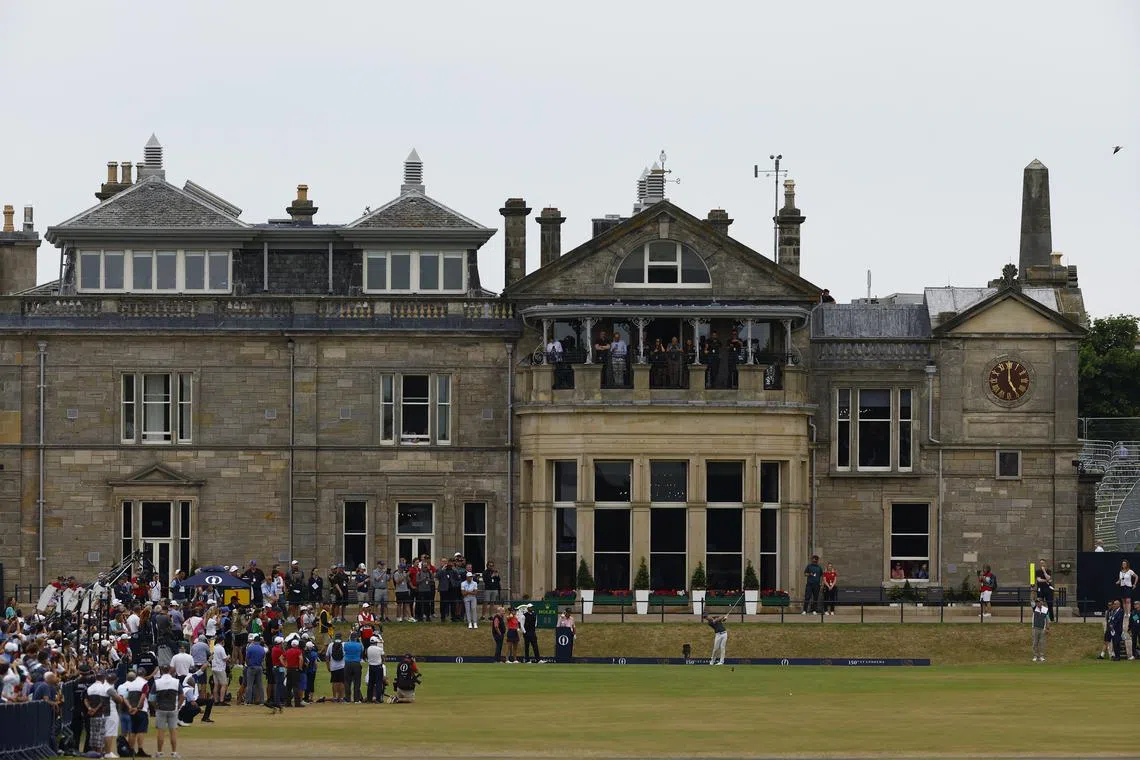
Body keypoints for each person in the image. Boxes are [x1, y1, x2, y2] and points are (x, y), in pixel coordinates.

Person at [153, 665, 183, 758]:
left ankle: (159, 752)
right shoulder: (176, 681)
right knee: (173, 731)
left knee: (161, 731)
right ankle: (174, 752)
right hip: (173, 708)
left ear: (161, 671)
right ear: (170, 670)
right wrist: (178, 706)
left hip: (161, 708)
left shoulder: (157, 682)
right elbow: (182, 696)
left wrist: (155, 706)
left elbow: (151, 698)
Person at [343, 631, 364, 703]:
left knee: (347, 681)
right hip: (356, 663)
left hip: (347, 663)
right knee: (357, 682)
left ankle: (347, 698)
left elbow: (344, 650)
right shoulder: (359, 645)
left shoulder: (346, 644)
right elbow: (362, 650)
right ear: (356, 638)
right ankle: (356, 699)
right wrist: (360, 640)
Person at [365, 634, 386, 703]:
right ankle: (378, 699)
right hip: (378, 667)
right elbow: (383, 658)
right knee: (378, 683)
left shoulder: (368, 649)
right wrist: (382, 662)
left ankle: (369, 699)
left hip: (371, 666)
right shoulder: (379, 649)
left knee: (371, 683)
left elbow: (367, 657)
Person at [284, 639, 304, 708]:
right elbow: (301, 659)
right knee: (296, 686)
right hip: (295, 669)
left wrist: (285, 665)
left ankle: (288, 703)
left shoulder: (288, 651)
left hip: (289, 669)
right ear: (297, 645)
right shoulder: (298, 651)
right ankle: (297, 703)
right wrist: (300, 667)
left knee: (288, 687)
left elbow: (282, 657)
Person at [326, 633, 346, 703]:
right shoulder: (344, 645)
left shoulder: (331, 645)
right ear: (341, 638)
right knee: (342, 682)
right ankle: (341, 697)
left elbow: (327, 657)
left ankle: (334, 697)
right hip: (342, 666)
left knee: (334, 682)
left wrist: (328, 666)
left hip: (333, 667)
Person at [1030, 597, 1049, 662]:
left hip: (1042, 628)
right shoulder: (1035, 608)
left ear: (1042, 602)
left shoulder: (1045, 609)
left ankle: (1041, 656)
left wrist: (1047, 627)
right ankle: (1035, 656)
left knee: (1042, 643)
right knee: (1035, 643)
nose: (1037, 603)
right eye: (1036, 602)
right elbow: (1031, 600)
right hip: (1035, 628)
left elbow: (1047, 619)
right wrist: (1032, 588)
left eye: (1038, 602)